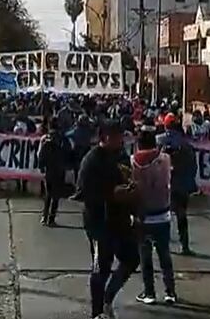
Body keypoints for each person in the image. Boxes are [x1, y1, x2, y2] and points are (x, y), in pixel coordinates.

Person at [76, 119, 139, 319]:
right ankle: (97, 313)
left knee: (131, 258)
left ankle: (107, 299)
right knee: (101, 267)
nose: (121, 140)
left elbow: (128, 180)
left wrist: (131, 196)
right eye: (117, 136)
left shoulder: (121, 157)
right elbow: (83, 192)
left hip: (120, 220)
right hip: (99, 223)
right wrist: (111, 193)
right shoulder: (91, 160)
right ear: (105, 138)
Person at [131, 127, 177, 305]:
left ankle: (149, 292)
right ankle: (170, 292)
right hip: (163, 214)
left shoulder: (133, 161)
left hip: (143, 216)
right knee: (165, 254)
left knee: (145, 255)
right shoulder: (165, 159)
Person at [158, 113, 197, 255]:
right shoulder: (186, 144)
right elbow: (193, 166)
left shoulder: (159, 141)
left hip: (163, 185)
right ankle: (184, 246)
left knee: (163, 216)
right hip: (181, 185)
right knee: (181, 215)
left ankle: (163, 245)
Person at [37, 118, 68, 227]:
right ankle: (51, 218)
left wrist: (41, 167)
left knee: (48, 195)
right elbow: (68, 153)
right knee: (56, 196)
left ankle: (44, 216)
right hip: (59, 170)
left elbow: (41, 155)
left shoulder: (46, 140)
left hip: (49, 171)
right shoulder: (63, 139)